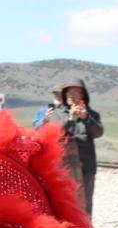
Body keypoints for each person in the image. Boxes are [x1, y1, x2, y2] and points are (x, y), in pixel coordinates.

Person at [36, 74, 103, 216]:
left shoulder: (92, 114)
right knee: (65, 204)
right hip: (63, 166)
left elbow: (98, 133)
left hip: (86, 166)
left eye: (76, 92)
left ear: (83, 95)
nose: (72, 95)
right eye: (69, 92)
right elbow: (57, 132)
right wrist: (71, 119)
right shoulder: (57, 114)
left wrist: (86, 118)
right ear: (65, 94)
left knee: (85, 204)